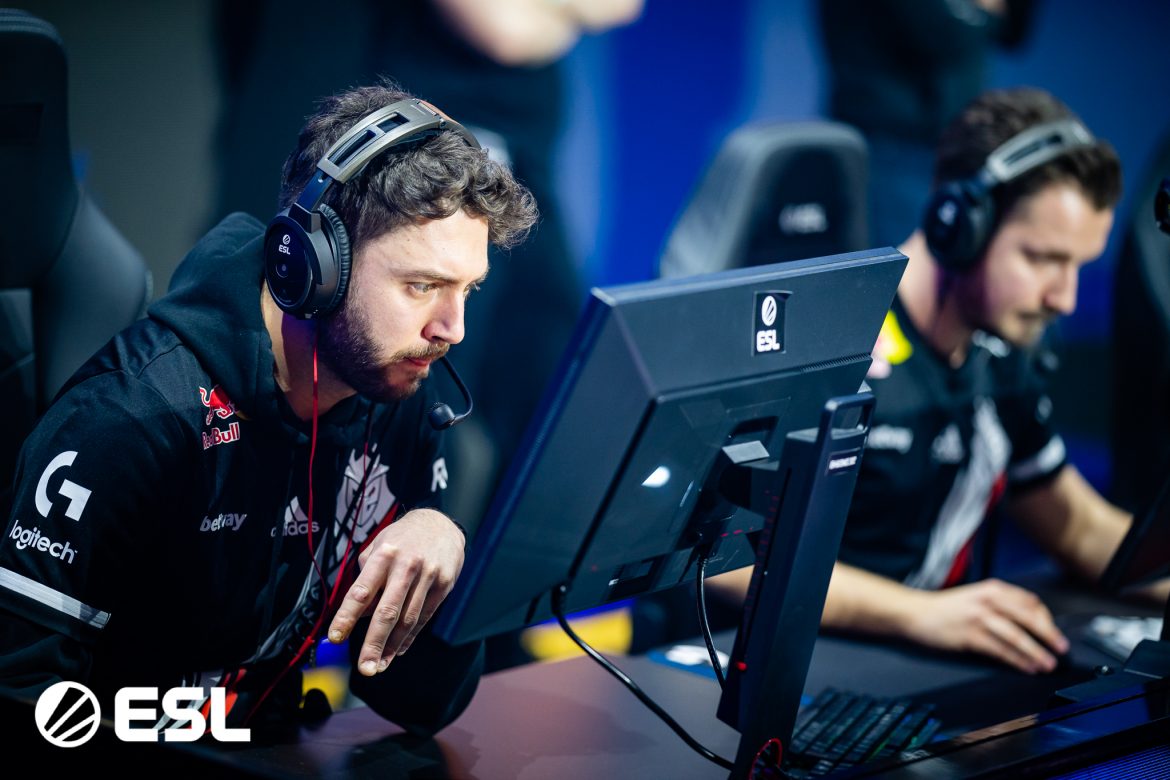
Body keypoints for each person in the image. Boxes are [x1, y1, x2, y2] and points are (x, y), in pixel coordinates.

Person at [0, 81, 537, 738]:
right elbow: (23, 703)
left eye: (467, 290)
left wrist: (442, 544)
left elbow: (416, 700)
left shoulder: (397, 398)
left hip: (271, 751)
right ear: (310, 267)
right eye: (422, 285)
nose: (452, 328)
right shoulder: (133, 418)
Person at [713, 87, 1163, 675]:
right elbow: (729, 563)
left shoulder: (1003, 358)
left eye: (1077, 265)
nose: (1065, 298)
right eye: (1042, 259)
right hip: (779, 671)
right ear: (960, 225)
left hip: (912, 673)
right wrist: (919, 614)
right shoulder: (837, 346)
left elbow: (1078, 528)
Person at [817, 0, 1036, 247]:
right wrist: (984, 11)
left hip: (953, 148)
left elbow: (1015, 31)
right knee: (900, 264)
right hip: (889, 150)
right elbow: (945, 33)